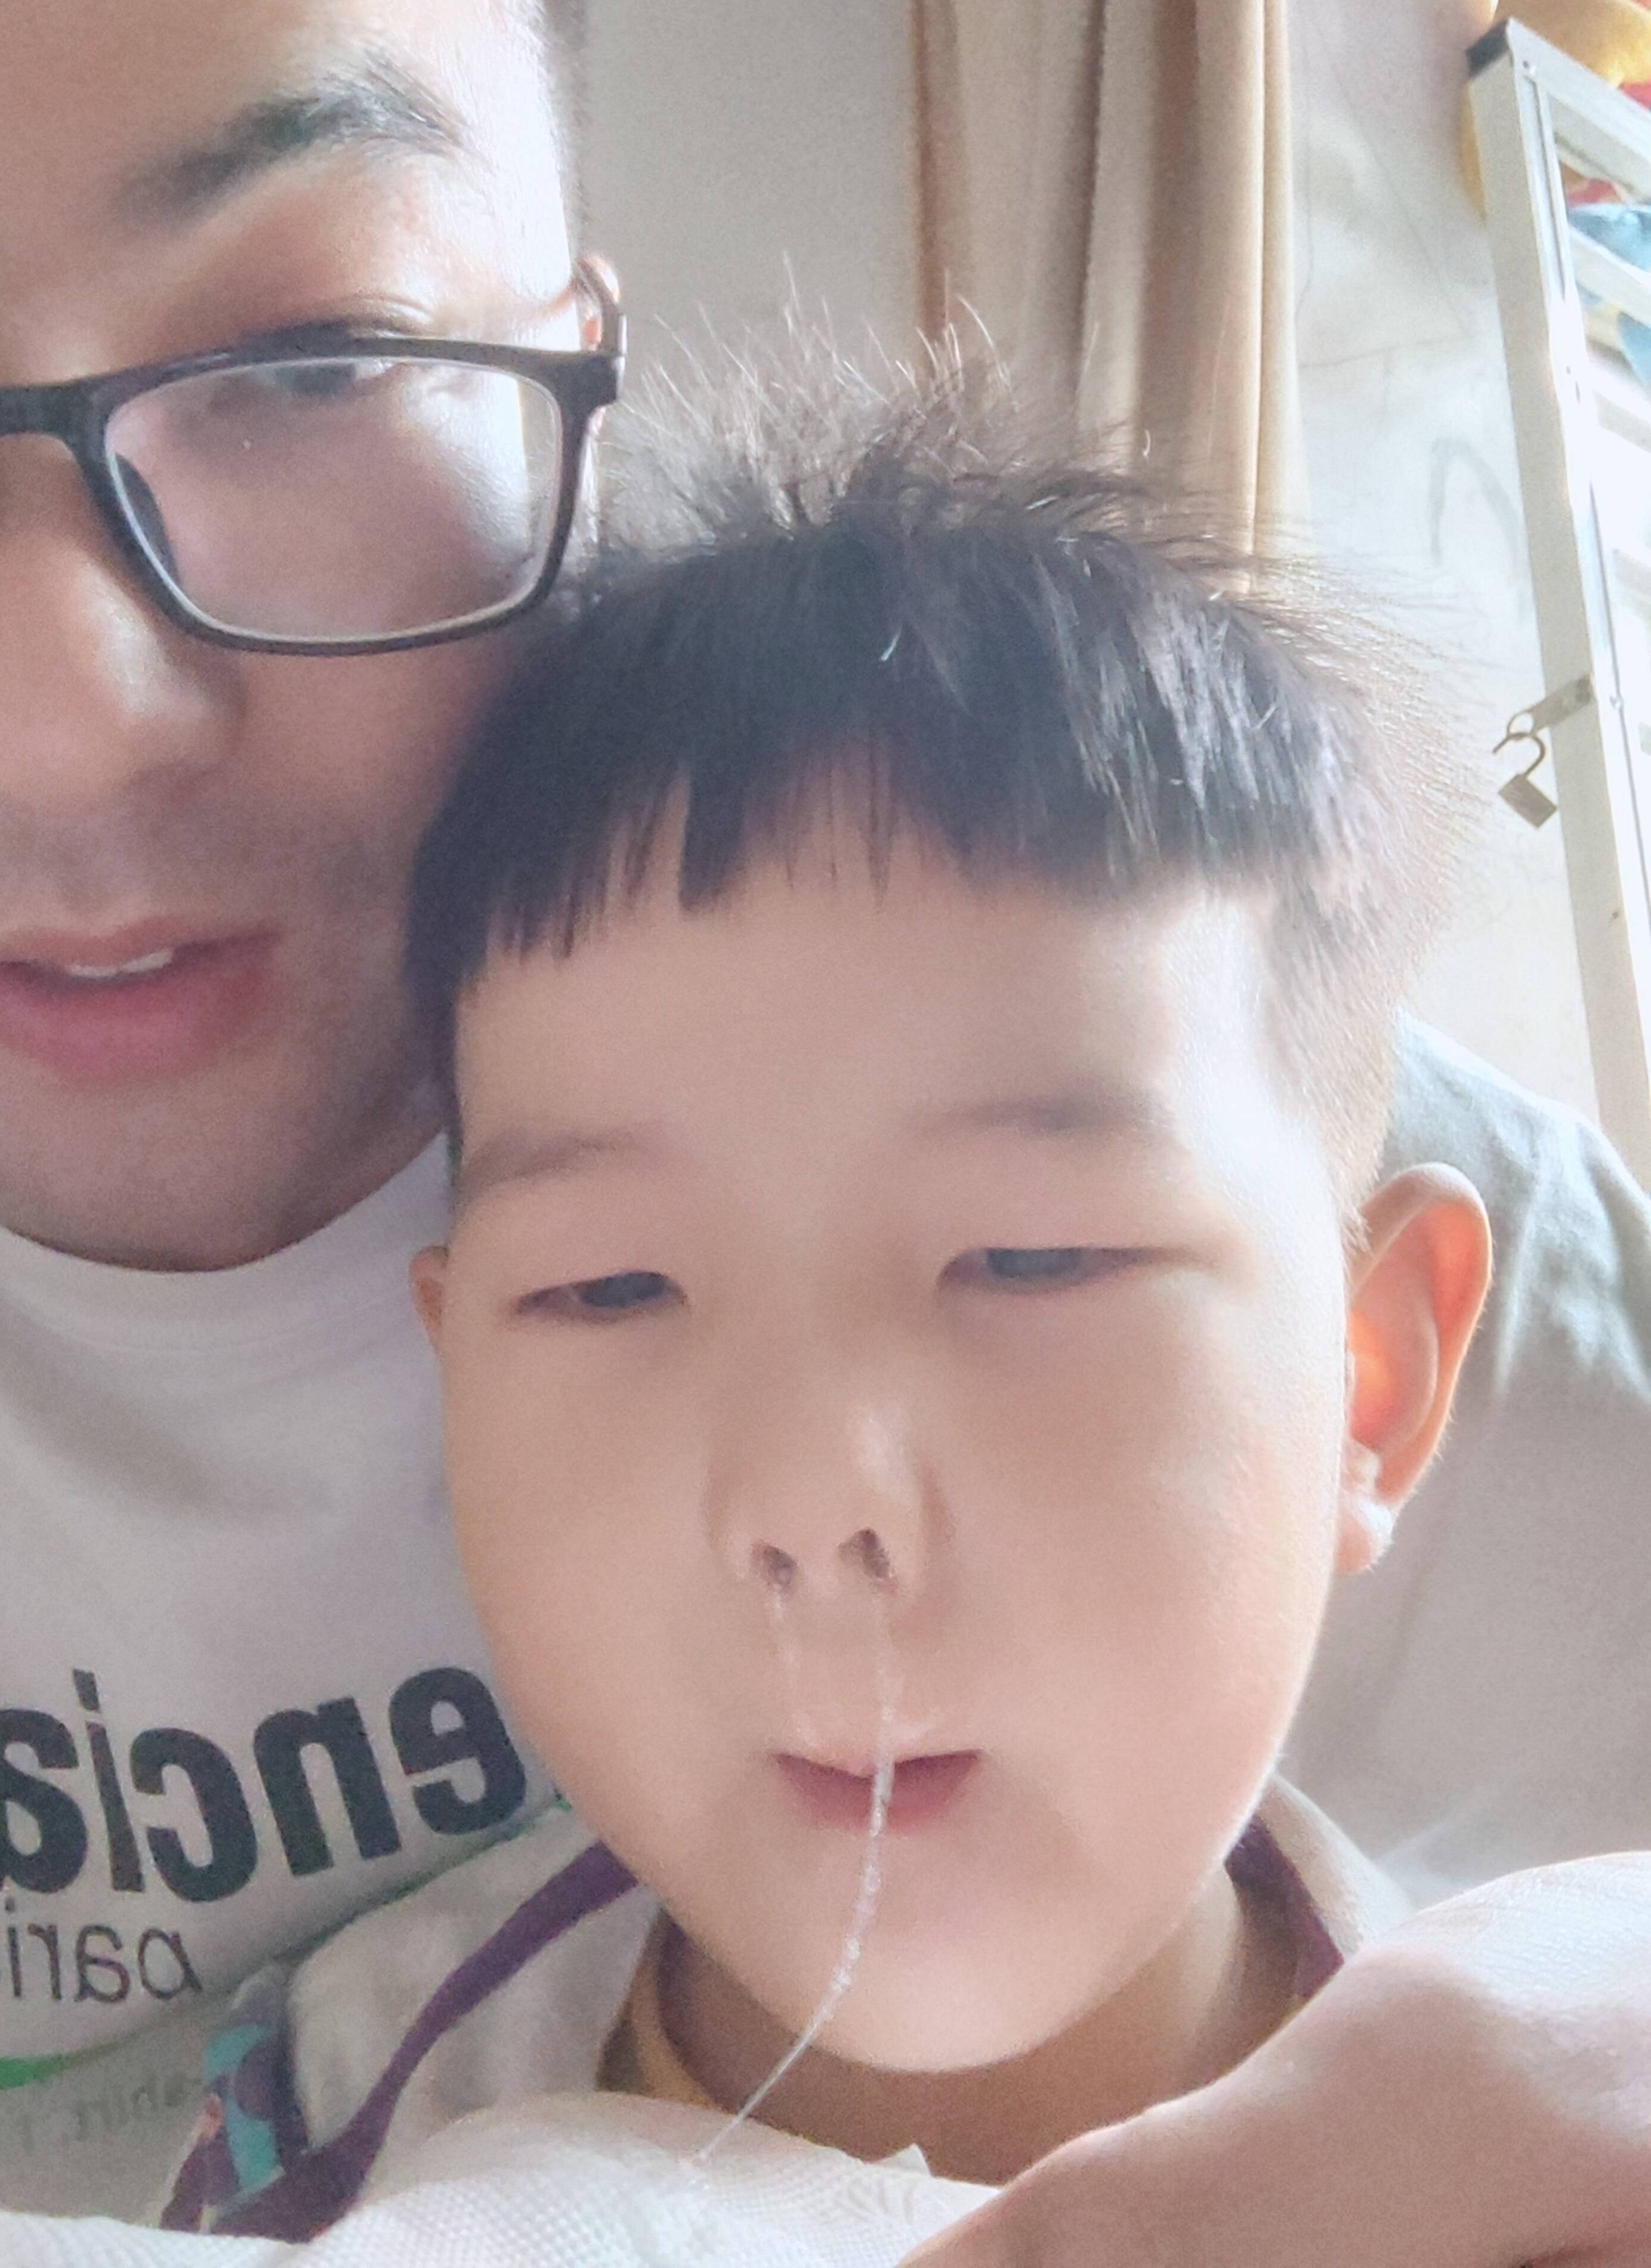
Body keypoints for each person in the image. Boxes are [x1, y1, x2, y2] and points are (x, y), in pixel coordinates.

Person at [0, 0, 1648, 2264]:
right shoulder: (378, 2107)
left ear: (577, 389)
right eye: (608, 1292)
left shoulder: (1199, 1085)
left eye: (310, 356)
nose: (60, 716)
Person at [121, 375, 1497, 2247]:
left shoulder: (1539, 2160)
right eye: (609, 1287)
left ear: (1370, 1374)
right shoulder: (331, 2113)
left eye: (1029, 1261)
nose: (809, 1501)